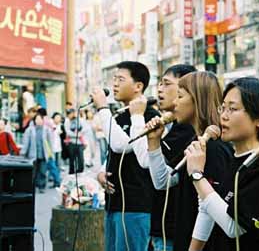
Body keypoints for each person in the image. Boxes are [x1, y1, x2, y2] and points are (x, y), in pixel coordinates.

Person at [185, 77, 259, 251]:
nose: (223, 116)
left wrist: (197, 175)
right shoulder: (234, 159)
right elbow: (208, 208)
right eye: (223, 107)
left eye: (233, 109)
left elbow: (234, 227)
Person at [145, 71, 233, 251]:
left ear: (197, 100)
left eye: (180, 96)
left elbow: (208, 209)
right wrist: (153, 142)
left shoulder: (213, 148)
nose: (175, 102)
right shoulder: (194, 141)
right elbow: (163, 181)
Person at [92, 61, 159, 251]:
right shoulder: (120, 115)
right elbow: (112, 152)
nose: (115, 84)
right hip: (113, 204)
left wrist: (103, 108)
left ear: (139, 86)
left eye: (121, 79)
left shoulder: (149, 116)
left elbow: (123, 145)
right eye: (114, 79)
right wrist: (101, 172)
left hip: (136, 206)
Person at [149, 64, 197, 251]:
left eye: (167, 83)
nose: (160, 89)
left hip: (172, 230)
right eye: (159, 83)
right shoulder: (172, 126)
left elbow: (162, 180)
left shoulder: (189, 131)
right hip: (162, 226)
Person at [20, 113, 53, 193]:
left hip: (43, 154)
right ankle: (32, 186)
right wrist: (23, 153)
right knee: (33, 172)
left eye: (40, 119)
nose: (38, 121)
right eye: (36, 119)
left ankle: (41, 186)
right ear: (34, 120)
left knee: (42, 171)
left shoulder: (46, 129)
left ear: (42, 120)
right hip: (33, 154)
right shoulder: (30, 130)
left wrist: (50, 153)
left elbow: (49, 142)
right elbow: (26, 142)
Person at [64, 108, 85, 174]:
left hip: (80, 143)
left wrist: (80, 134)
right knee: (72, 158)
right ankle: (72, 171)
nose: (72, 114)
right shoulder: (67, 121)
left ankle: (80, 170)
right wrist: (77, 135)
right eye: (71, 113)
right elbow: (68, 132)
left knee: (81, 158)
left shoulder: (80, 120)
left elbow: (85, 128)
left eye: (73, 113)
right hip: (71, 142)